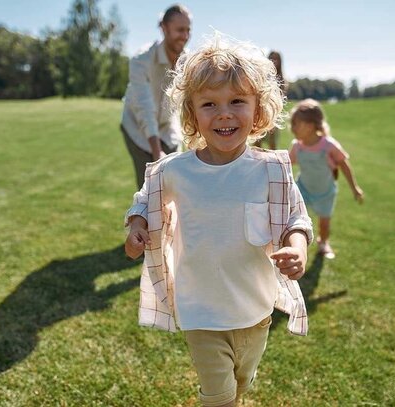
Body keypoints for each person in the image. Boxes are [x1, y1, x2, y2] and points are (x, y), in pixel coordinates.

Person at [124, 34, 313, 407]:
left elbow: (295, 216)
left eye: (237, 102)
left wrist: (297, 247)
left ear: (258, 110)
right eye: (210, 104)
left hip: (255, 310)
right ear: (192, 115)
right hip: (201, 311)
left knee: (242, 383)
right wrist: (137, 227)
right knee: (220, 395)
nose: (224, 113)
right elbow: (146, 200)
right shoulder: (175, 171)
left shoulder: (271, 170)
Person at [120, 4, 191, 189]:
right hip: (138, 130)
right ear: (164, 28)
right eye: (179, 30)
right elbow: (145, 108)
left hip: (168, 129)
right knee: (150, 188)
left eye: (188, 30)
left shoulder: (188, 63)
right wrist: (157, 152)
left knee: (176, 184)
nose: (184, 36)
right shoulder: (141, 60)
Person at [289, 99, 364, 259]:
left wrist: (354, 187)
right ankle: (291, 243)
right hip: (303, 188)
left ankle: (323, 243)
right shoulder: (297, 146)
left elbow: (344, 165)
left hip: (325, 192)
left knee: (324, 222)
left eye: (295, 124)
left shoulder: (328, 145)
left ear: (309, 126)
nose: (292, 128)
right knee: (293, 215)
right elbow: (287, 164)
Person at [253, 50, 287, 150]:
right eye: (272, 59)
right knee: (257, 141)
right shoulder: (262, 76)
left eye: (276, 59)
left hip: (274, 115)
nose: (274, 61)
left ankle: (271, 163)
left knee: (272, 144)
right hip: (260, 113)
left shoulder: (282, 79)